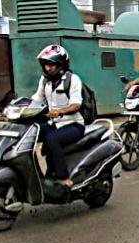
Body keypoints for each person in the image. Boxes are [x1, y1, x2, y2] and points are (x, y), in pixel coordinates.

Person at [32, 45, 84, 188]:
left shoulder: (73, 79)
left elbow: (76, 104)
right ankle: (37, 176)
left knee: (51, 139)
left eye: (51, 65)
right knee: (31, 133)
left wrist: (60, 111)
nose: (47, 68)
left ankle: (64, 178)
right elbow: (36, 100)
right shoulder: (45, 81)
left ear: (61, 65)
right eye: (45, 65)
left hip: (73, 124)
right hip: (53, 124)